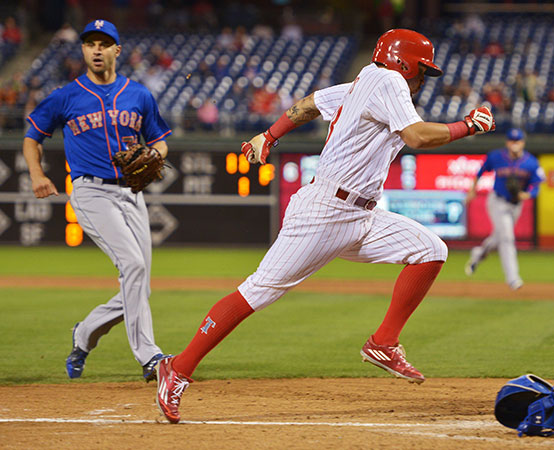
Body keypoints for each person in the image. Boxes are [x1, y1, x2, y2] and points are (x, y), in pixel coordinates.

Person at [155, 28, 496, 424]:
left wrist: (270, 134)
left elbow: (310, 103)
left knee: (431, 250)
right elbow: (417, 137)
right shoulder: (388, 80)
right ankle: (177, 368)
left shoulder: (364, 83)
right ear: (404, 64)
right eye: (422, 70)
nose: (423, 79)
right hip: (325, 213)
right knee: (258, 291)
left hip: (361, 215)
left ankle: (383, 342)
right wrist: (469, 125)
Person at [22, 20, 171, 381]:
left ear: (117, 50)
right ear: (84, 51)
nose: (97, 50)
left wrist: (155, 153)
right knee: (133, 267)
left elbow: (161, 140)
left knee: (140, 285)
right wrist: (37, 175)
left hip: (131, 193)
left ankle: (84, 334)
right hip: (90, 191)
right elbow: (32, 137)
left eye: (105, 44)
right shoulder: (65, 96)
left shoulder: (139, 95)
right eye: (90, 44)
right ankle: (150, 357)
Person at [464, 128, 544, 290]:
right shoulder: (496, 156)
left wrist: (527, 194)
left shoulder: (531, 162)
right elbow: (480, 172)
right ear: (507, 142)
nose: (515, 144)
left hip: (516, 204)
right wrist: (472, 191)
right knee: (507, 238)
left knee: (498, 237)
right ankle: (513, 278)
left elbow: (537, 185)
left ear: (523, 143)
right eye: (512, 141)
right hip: (497, 201)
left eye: (518, 141)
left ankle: (478, 254)